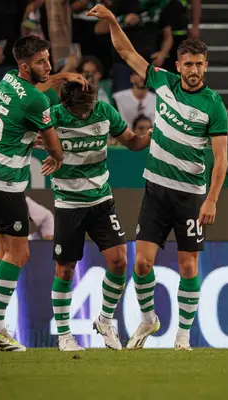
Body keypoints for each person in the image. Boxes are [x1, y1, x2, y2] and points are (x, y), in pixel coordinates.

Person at [87, 5, 228, 351]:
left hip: (191, 196)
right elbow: (125, 52)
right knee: (142, 263)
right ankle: (149, 318)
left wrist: (211, 199)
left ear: (205, 67)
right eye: (188, 64)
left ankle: (182, 337)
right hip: (156, 188)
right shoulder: (162, 82)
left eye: (199, 64)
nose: (194, 70)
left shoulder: (214, 105)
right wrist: (113, 21)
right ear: (178, 66)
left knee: (188, 265)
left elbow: (221, 159)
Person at [0, 35, 85, 352]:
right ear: (24, 65)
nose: (47, 65)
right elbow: (53, 141)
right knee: (19, 254)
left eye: (48, 60)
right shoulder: (37, 101)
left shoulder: (7, 81)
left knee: (4, 252)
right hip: (6, 183)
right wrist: (57, 157)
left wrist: (59, 76)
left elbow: (30, 97)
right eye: (41, 62)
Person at [47, 81, 151, 351]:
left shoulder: (104, 111)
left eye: (90, 104)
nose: (88, 110)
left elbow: (133, 142)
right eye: (83, 107)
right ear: (68, 104)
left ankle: (105, 320)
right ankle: (64, 336)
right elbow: (28, 136)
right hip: (68, 203)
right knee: (65, 269)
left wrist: (153, 135)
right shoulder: (55, 116)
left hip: (101, 200)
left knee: (119, 261)